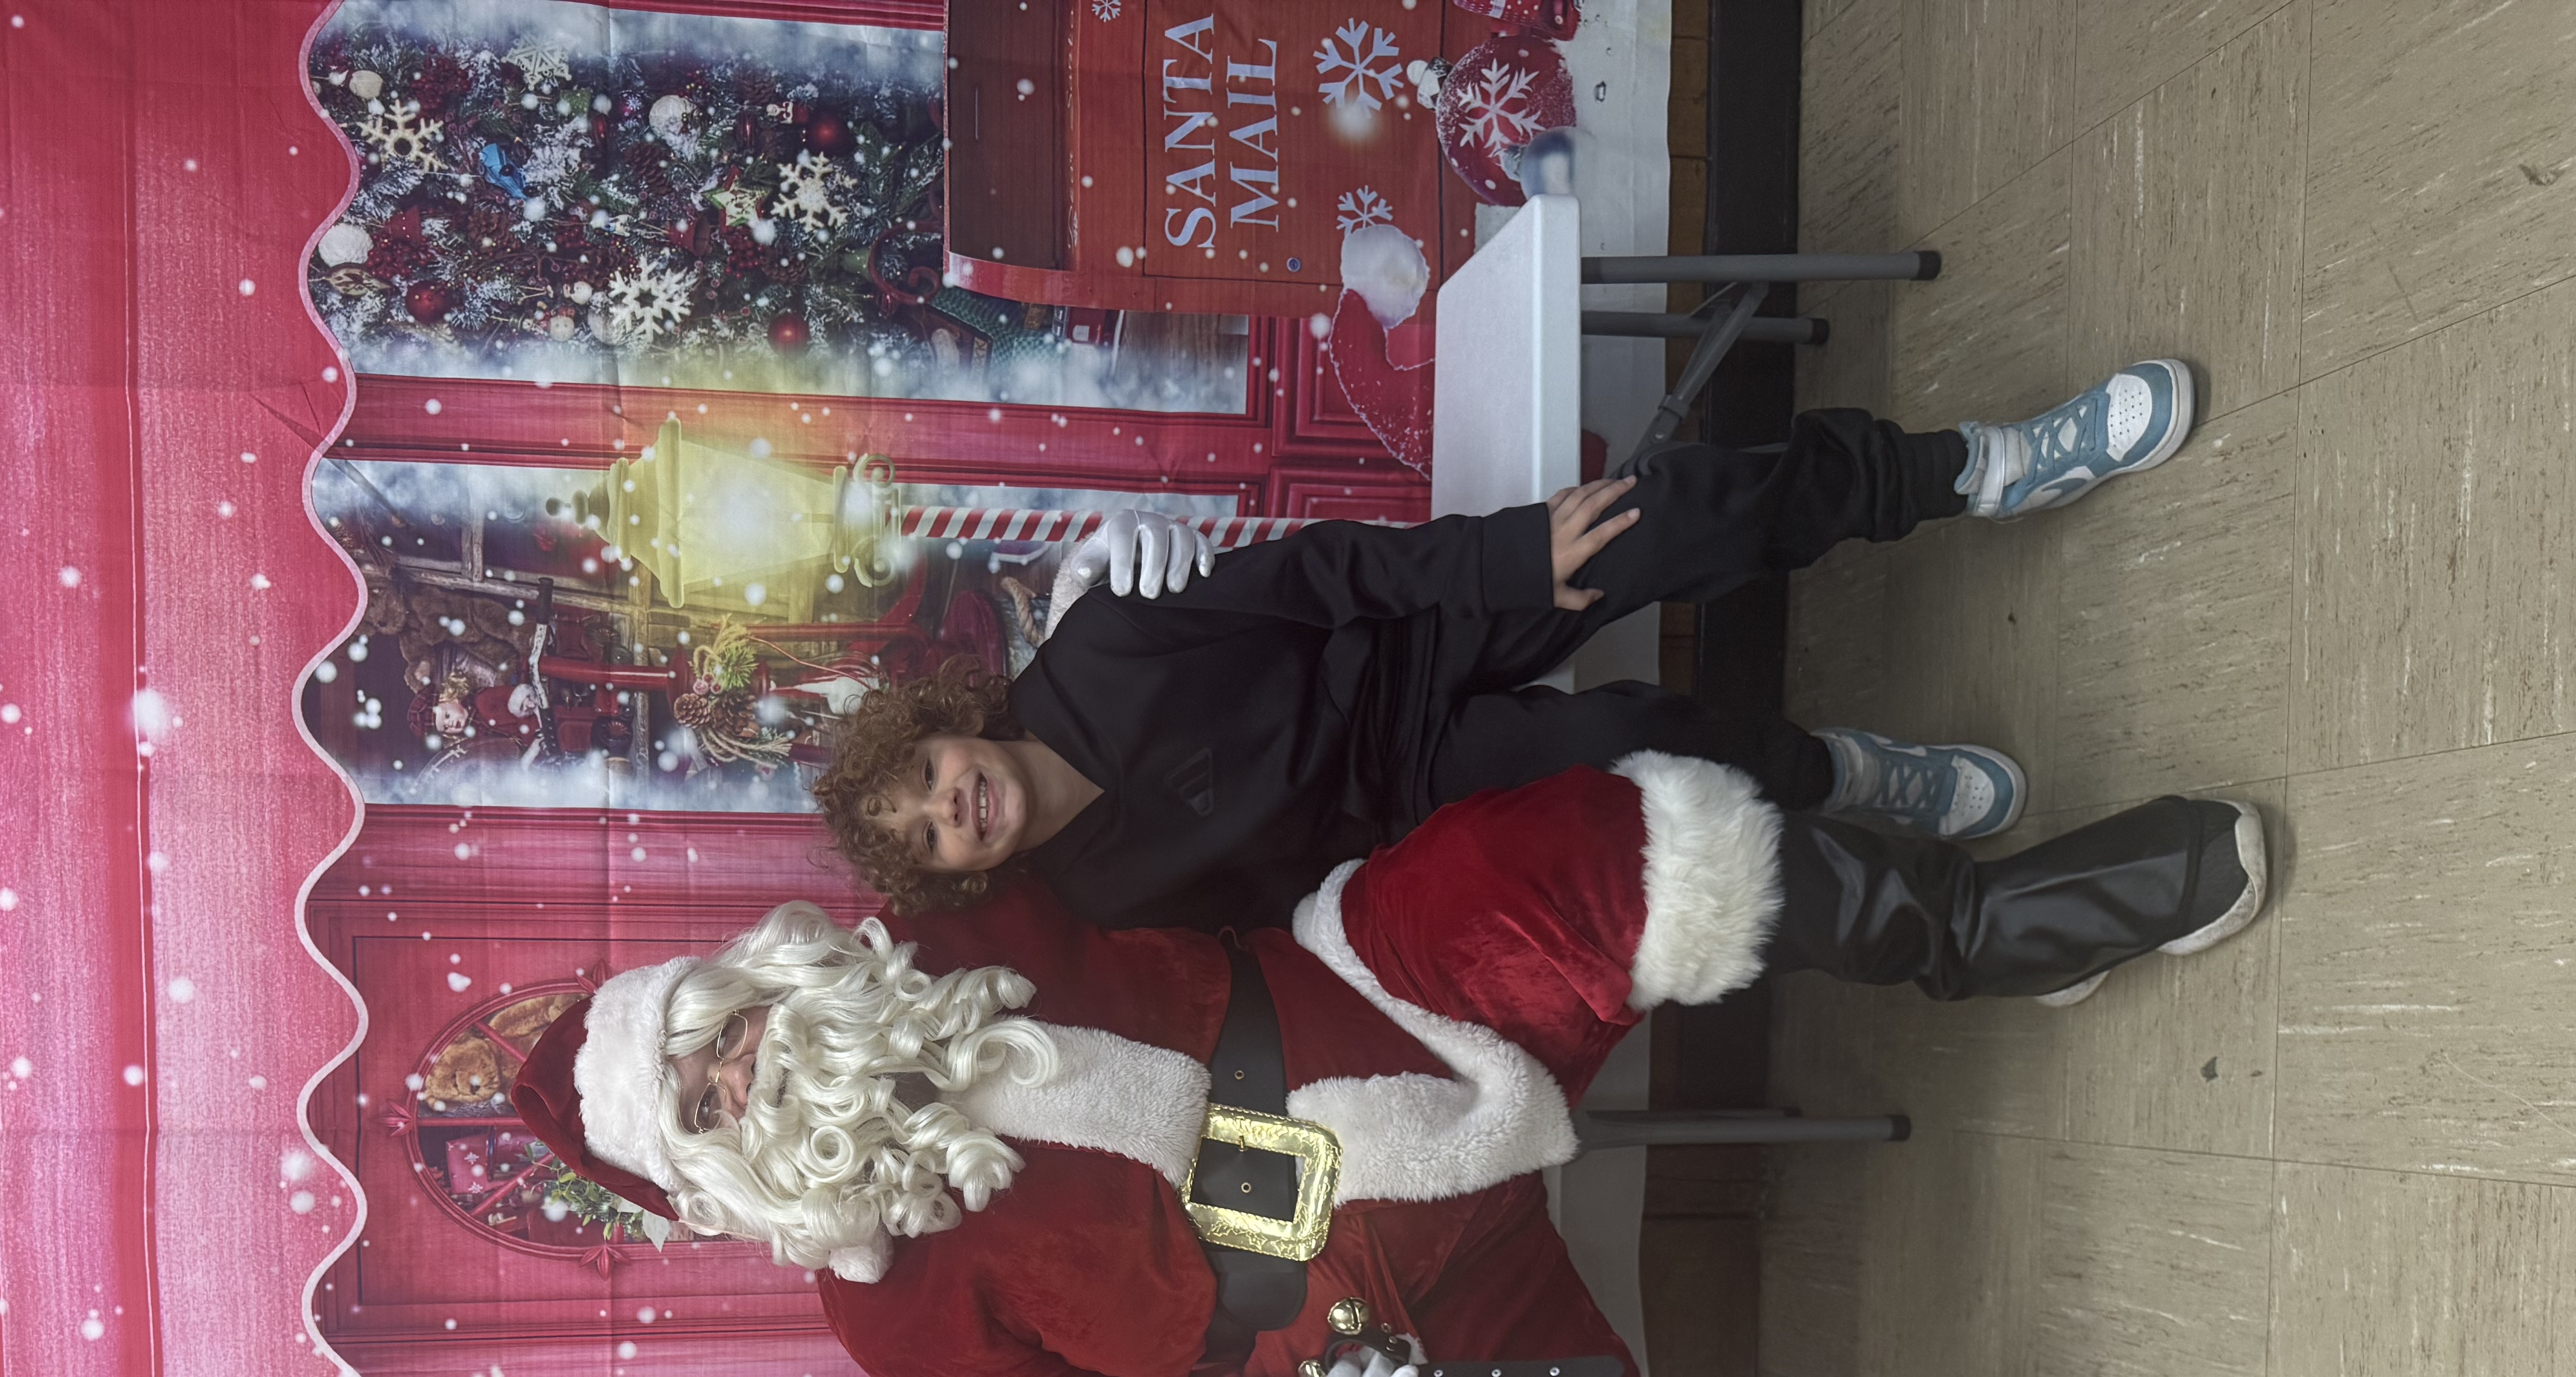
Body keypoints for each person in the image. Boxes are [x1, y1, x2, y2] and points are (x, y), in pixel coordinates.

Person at [507, 753, 2263, 1377]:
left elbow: (1123, 765)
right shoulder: (886, 1316)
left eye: (715, 1030)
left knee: (1589, 857)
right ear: (721, 1178)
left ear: (746, 980)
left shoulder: (941, 908)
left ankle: (1997, 924)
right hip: (1364, 1332)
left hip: (1367, 1017)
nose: (745, 1069)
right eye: (710, 1103)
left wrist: (1101, 674)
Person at [810, 362, 2197, 933]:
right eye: (929, 833)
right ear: (952, 867)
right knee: (1633, 760)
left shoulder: (1101, 635)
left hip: (1416, 619)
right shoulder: (1104, 900)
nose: (952, 803)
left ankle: (1979, 468)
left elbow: (1320, 572)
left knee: (1669, 521)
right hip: (1416, 781)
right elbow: (1290, 915)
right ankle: (1835, 772)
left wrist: (1505, 557)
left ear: (947, 726)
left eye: (928, 772)